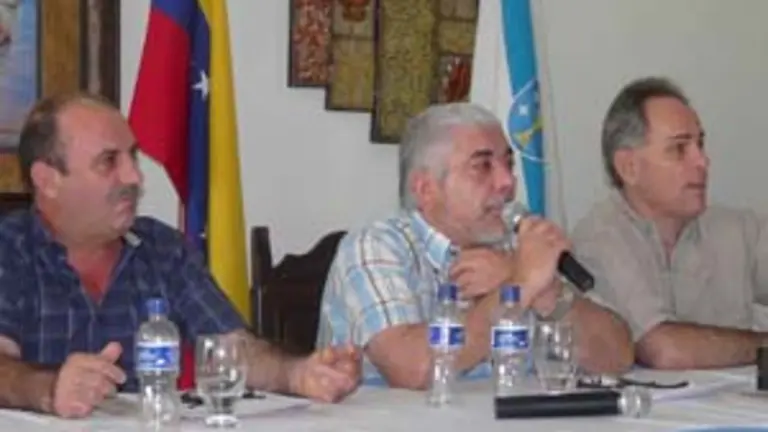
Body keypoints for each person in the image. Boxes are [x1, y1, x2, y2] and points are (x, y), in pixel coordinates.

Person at [0, 93, 361, 418]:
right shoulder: (10, 249)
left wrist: (298, 374)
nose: (134, 177)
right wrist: (48, 389)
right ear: (47, 180)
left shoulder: (161, 248)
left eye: (132, 156)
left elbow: (232, 348)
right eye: (109, 161)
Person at [316, 103, 633, 389]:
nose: (507, 182)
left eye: (508, 164)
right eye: (482, 166)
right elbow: (412, 368)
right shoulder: (376, 247)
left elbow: (617, 357)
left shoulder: (520, 246)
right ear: (425, 189)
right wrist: (518, 286)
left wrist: (545, 291)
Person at [571, 76, 768, 369]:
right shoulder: (599, 239)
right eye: (679, 149)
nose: (702, 161)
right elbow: (664, 349)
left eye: (700, 144)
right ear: (629, 167)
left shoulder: (736, 229)